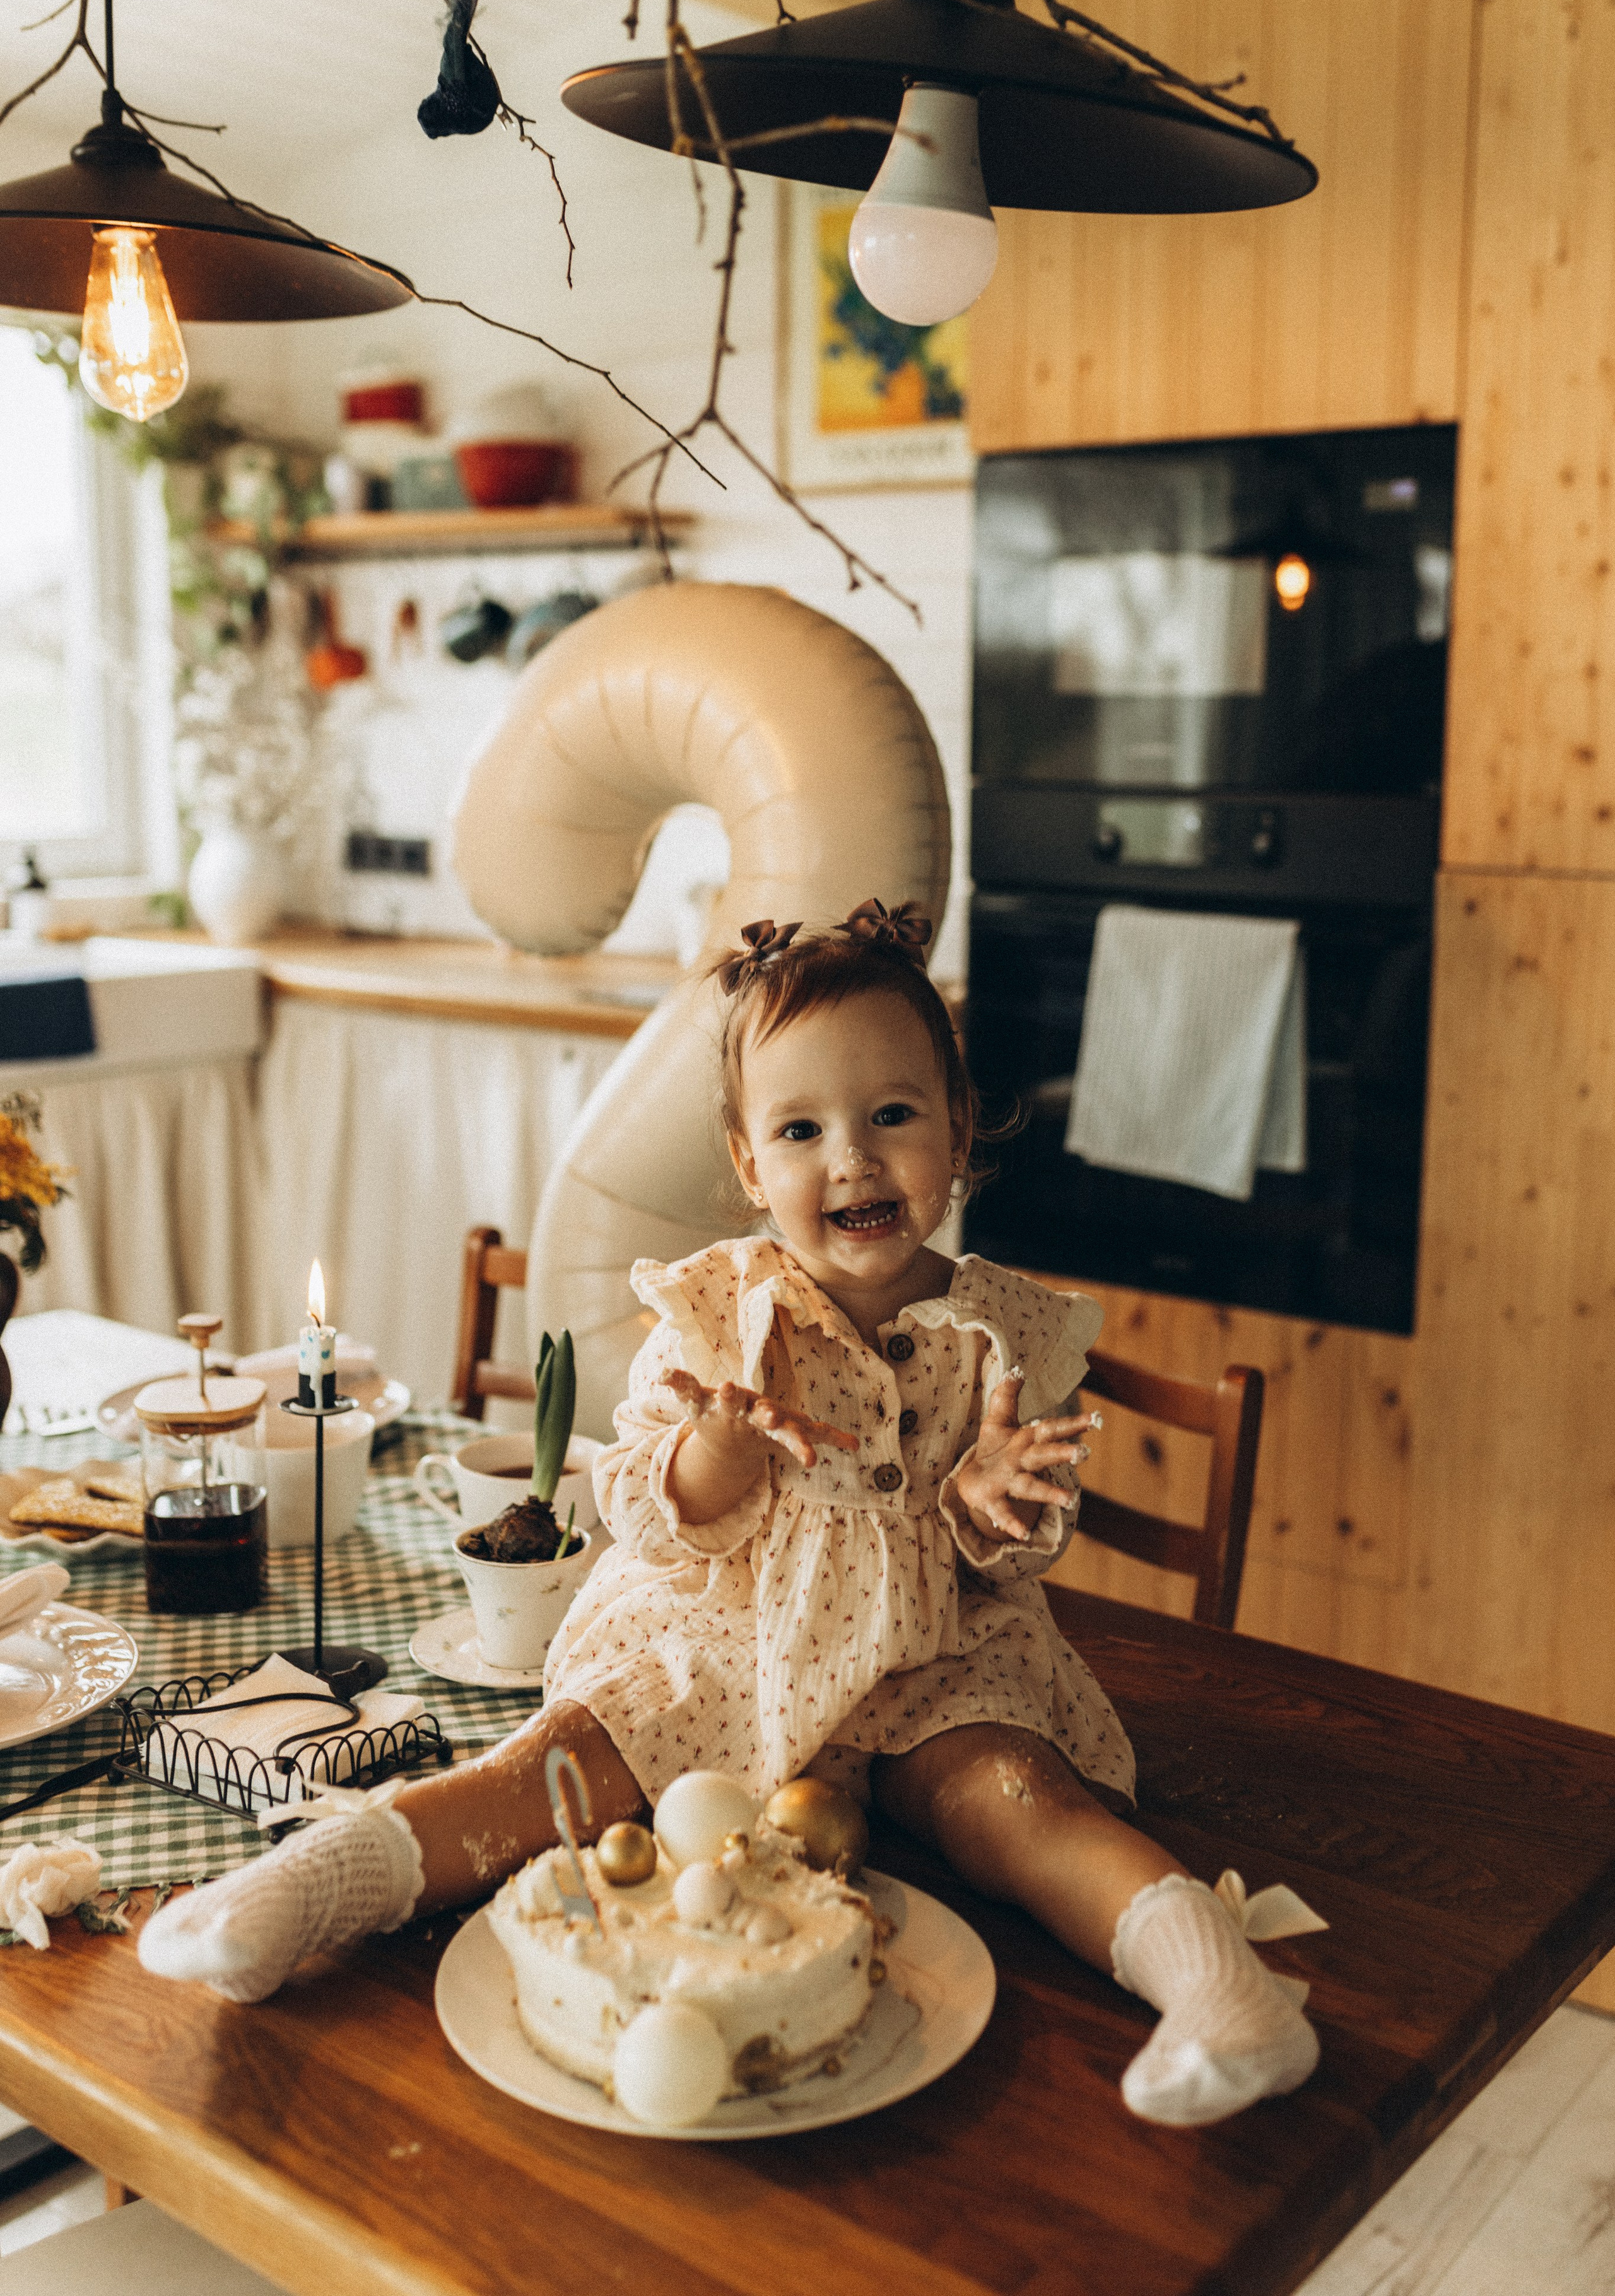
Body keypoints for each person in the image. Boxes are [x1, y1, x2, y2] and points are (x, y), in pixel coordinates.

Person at [140, 900, 1320, 2127]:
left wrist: (990, 1505)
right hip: (724, 1642)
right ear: (751, 1164)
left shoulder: (1001, 1334)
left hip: (933, 1658)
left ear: (959, 1129)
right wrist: (717, 1448)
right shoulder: (719, 1316)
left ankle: (1220, 1988)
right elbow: (646, 1511)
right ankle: (307, 1891)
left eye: (892, 1115)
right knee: (546, 1771)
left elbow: (1017, 1541)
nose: (851, 1159)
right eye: (801, 1128)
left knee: (1024, 1809)